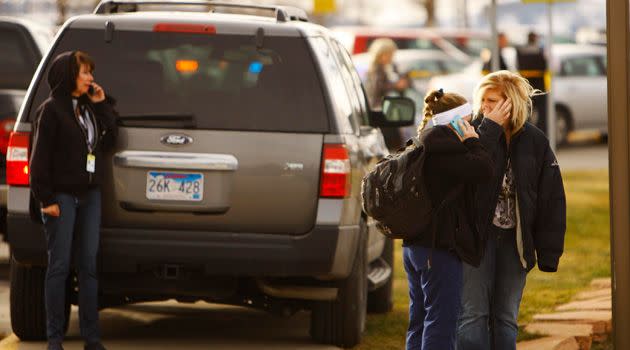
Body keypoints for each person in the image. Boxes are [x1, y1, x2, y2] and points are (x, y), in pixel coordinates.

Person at [457, 70, 566, 350]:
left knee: (505, 319)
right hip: (476, 240)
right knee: (472, 317)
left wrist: (549, 252)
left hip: (515, 243)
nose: (485, 107)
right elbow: (467, 173)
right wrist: (490, 128)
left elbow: (552, 198)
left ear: (511, 103)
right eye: (483, 100)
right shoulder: (473, 133)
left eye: (492, 101)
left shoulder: (535, 141)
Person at [30, 51, 118, 350]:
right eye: (85, 73)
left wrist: (101, 105)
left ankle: (92, 339)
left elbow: (109, 140)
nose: (91, 78)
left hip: (90, 195)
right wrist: (46, 199)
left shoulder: (87, 108)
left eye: (90, 73)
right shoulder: (51, 110)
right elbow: (39, 160)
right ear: (69, 75)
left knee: (89, 266)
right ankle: (55, 340)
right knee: (59, 267)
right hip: (61, 198)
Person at [403, 89, 493, 350]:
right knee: (441, 323)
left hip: (415, 247)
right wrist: (473, 140)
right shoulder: (445, 149)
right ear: (454, 122)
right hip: (437, 249)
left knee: (419, 320)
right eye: (467, 120)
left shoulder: (423, 142)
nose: (472, 125)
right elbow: (484, 168)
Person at [365, 38, 410, 150]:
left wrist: (404, 83)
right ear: (381, 54)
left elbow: (401, 86)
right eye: (389, 54)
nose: (391, 57)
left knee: (397, 145)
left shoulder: (392, 67)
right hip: (380, 112)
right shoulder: (375, 69)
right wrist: (395, 85)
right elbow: (376, 89)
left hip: (392, 110)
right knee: (389, 145)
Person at [516, 31, 549, 137]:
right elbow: (546, 66)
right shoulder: (541, 50)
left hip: (525, 85)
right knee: (542, 113)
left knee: (526, 112)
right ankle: (541, 133)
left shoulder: (520, 51)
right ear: (535, 38)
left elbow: (517, 66)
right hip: (540, 86)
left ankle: (525, 133)